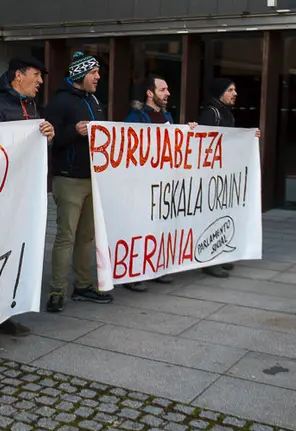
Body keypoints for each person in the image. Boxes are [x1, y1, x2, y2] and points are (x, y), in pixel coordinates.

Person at [0, 55, 56, 354]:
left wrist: (48, 136)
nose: (41, 81)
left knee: (11, 258)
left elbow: (34, 147)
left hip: (20, 199)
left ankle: (3, 314)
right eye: (36, 74)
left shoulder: (31, 106)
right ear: (19, 76)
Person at [45, 51, 110, 313]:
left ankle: (83, 285)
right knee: (66, 237)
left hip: (91, 179)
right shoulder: (60, 102)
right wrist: (74, 131)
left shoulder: (94, 100)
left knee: (86, 237)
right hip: (69, 179)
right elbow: (50, 139)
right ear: (80, 74)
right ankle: (57, 290)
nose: (98, 77)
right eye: (94, 73)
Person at [122, 74, 197, 290]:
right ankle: (133, 274)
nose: (167, 94)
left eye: (167, 90)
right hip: (141, 183)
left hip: (162, 183)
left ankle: (157, 267)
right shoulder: (135, 118)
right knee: (139, 228)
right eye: (163, 89)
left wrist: (188, 131)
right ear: (149, 93)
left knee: (160, 226)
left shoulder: (167, 117)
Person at [197, 78, 260, 278]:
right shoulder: (211, 114)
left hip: (222, 175)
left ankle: (218, 254)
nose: (235, 93)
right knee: (210, 217)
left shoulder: (225, 113)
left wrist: (249, 137)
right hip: (211, 176)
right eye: (230, 90)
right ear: (220, 93)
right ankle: (209, 260)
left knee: (220, 215)